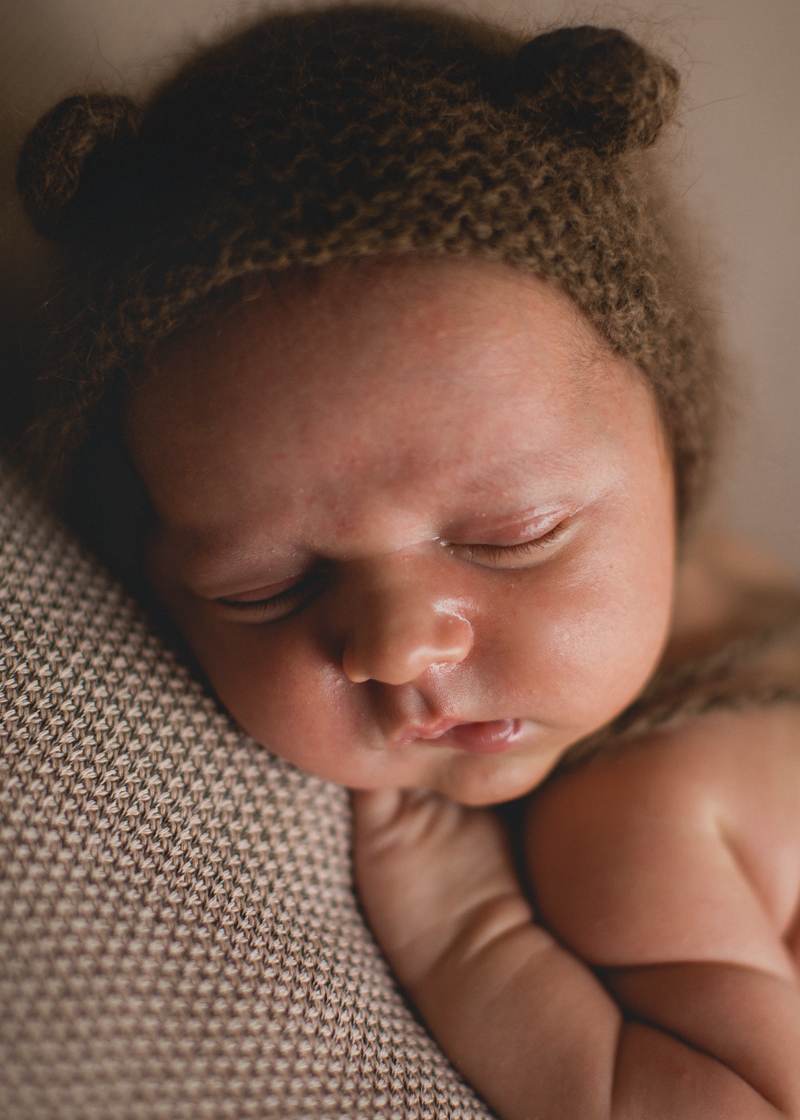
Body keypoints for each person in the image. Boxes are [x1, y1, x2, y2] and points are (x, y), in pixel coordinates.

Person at [13, 4, 800, 1116]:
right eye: (264, 586)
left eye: (507, 536)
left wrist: (466, 931)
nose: (391, 644)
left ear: (674, 456)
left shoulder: (643, 817)